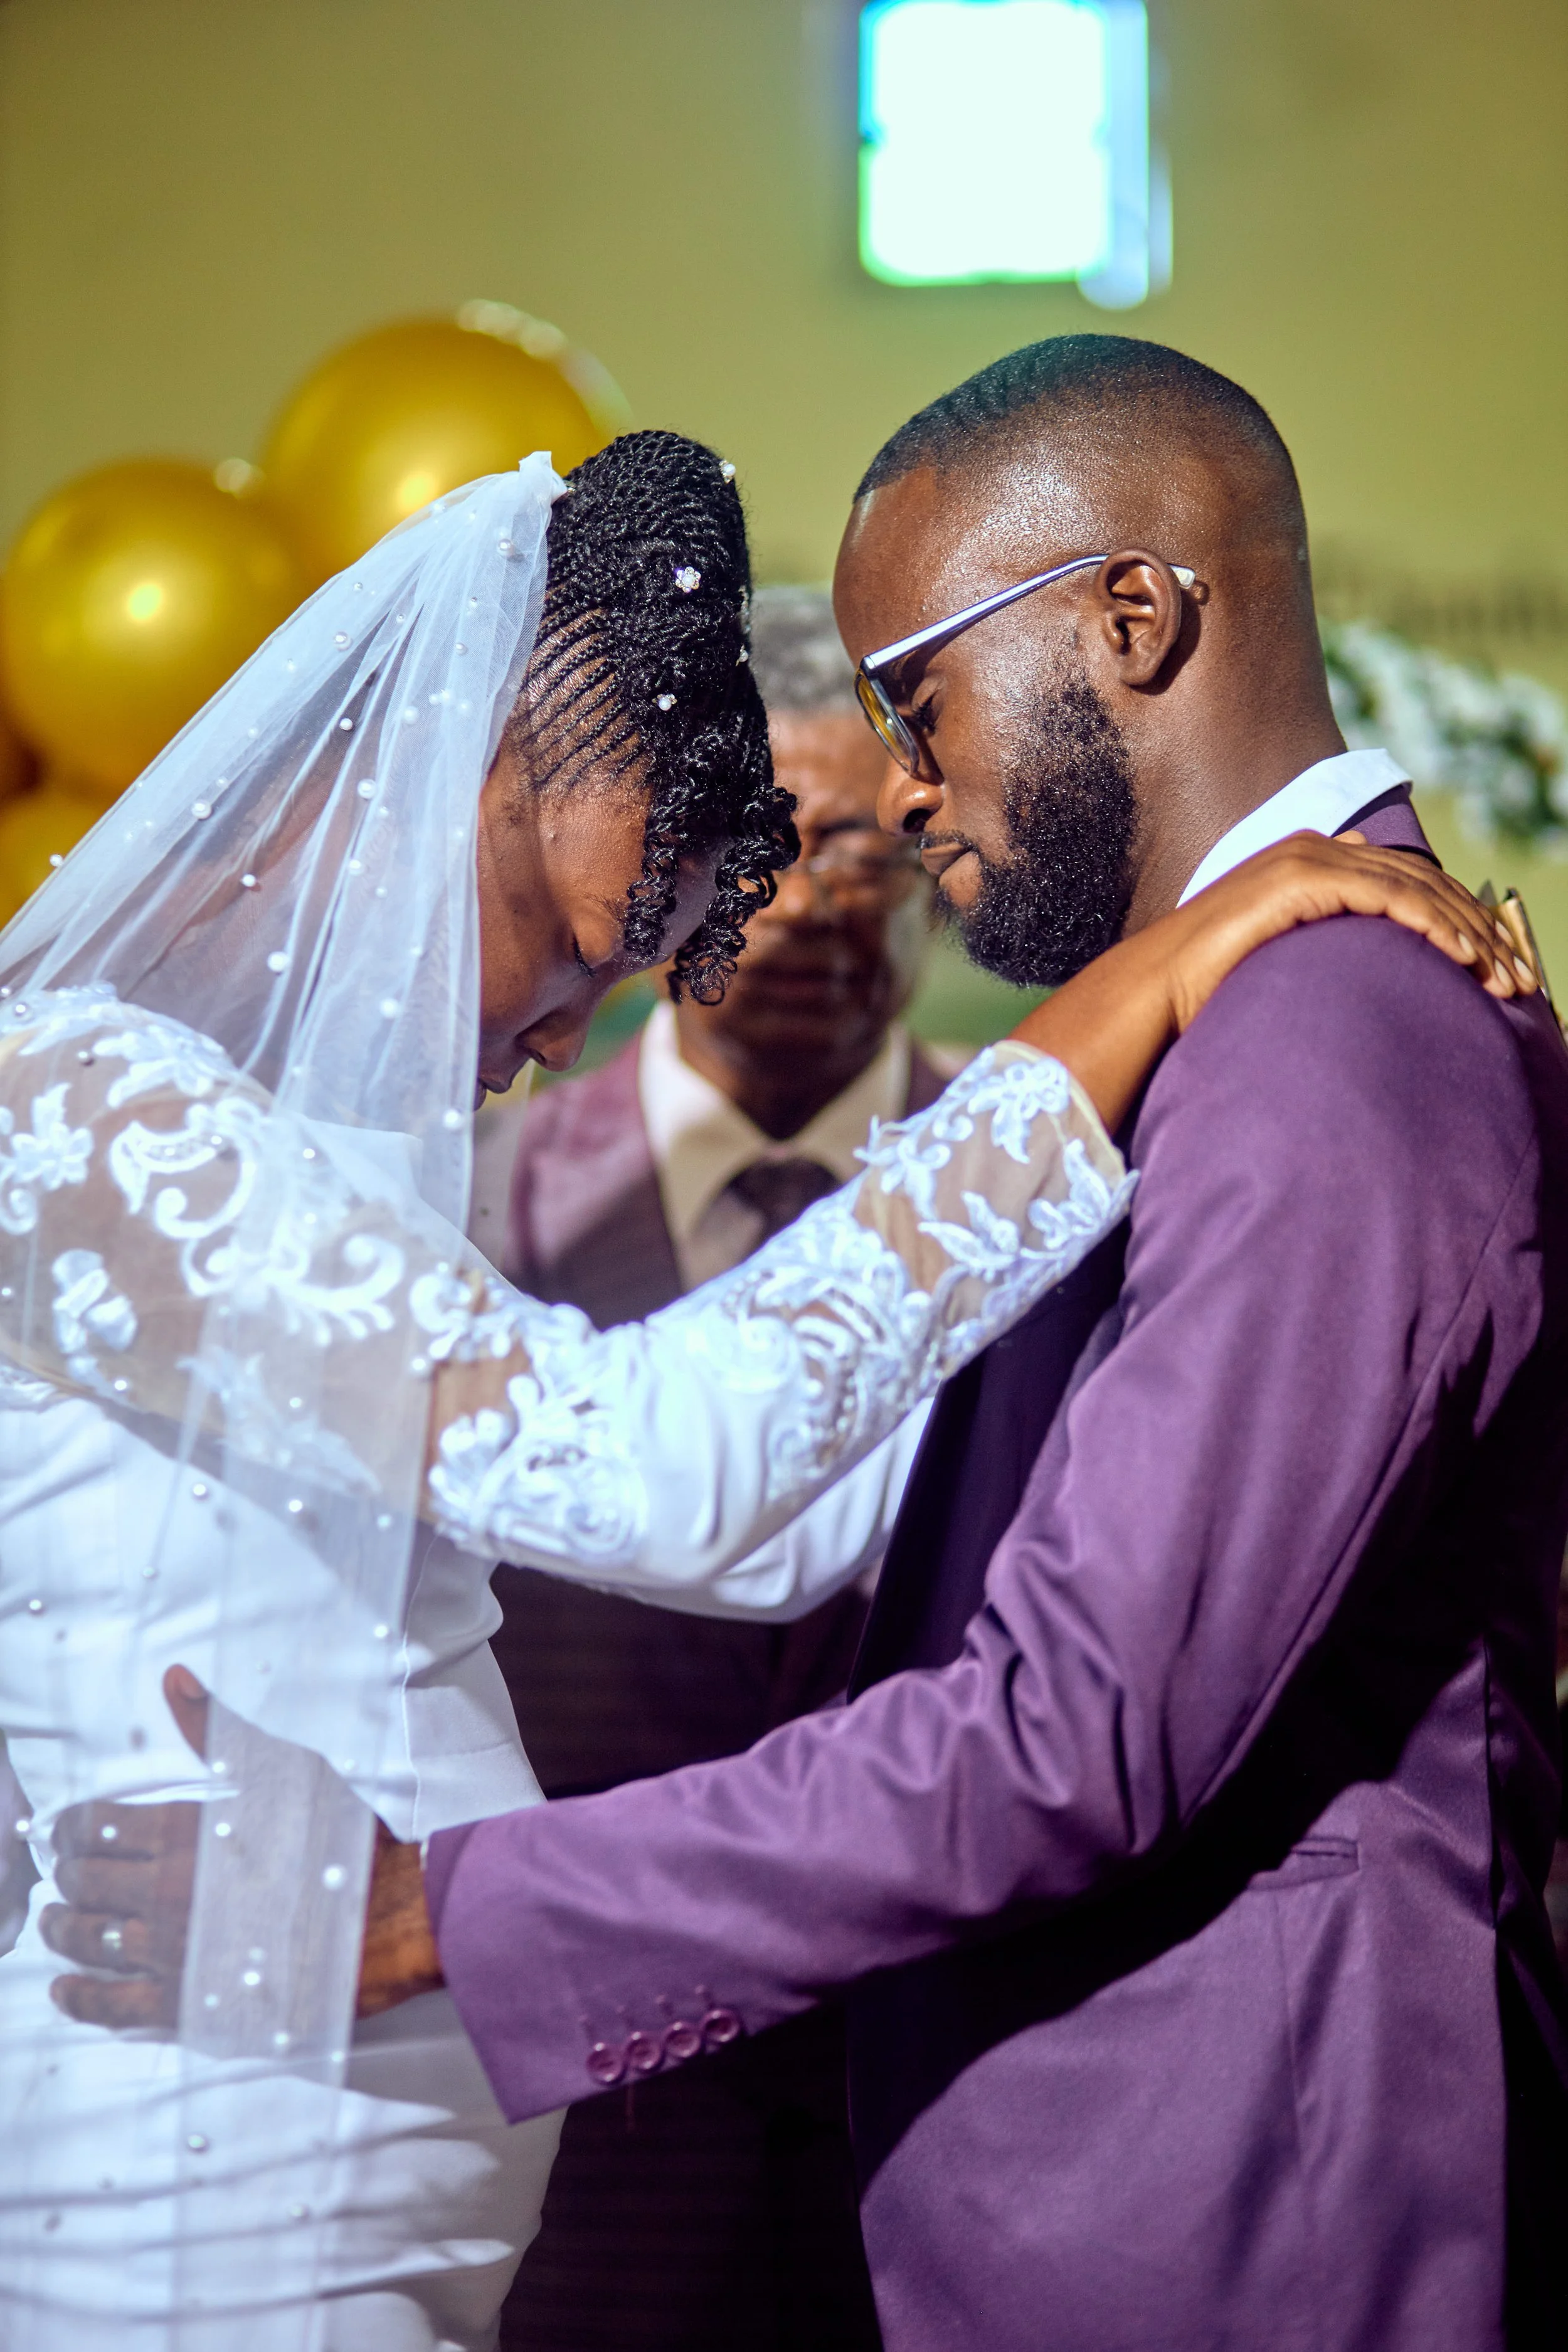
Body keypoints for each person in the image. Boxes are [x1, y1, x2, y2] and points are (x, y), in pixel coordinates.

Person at [0, 419, 1494, 2352]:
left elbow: (767, 1534)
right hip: (201, 2150)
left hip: (362, 2153)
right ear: (470, 757)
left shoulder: (266, 1134)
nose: (556, 1040)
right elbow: (629, 1467)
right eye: (578, 948)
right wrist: (1137, 992)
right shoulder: (78, 1105)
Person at [487, 585, 944, 2351]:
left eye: (872, 849)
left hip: (935, 2126)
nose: (824, 901)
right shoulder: (492, 1208)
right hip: (589, 2150)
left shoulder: (1047, 1188)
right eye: (777, 843)